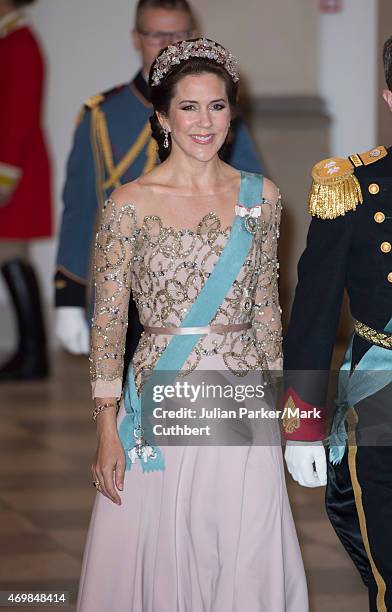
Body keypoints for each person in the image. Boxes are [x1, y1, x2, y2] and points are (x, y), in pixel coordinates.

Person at [76, 38, 308, 611]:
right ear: (162, 116)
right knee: (167, 546)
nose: (205, 122)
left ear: (232, 112)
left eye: (218, 106)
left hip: (242, 396)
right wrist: (107, 427)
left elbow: (265, 310)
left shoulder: (262, 197)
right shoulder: (130, 203)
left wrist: (286, 408)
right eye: (188, 107)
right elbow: (107, 325)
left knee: (244, 545)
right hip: (163, 396)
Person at [54, 0, 263, 375]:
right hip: (130, 289)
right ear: (137, 38)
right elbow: (80, 205)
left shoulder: (217, 116)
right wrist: (68, 293)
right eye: (157, 34)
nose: (168, 43)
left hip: (206, 285)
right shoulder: (103, 114)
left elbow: (249, 196)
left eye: (179, 34)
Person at [283, 35, 392, 612]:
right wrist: (302, 422)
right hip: (381, 397)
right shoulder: (350, 186)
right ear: (389, 96)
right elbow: (315, 311)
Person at [0, 0, 51, 380]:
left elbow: (19, 115)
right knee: (9, 254)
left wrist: (5, 176)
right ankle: (28, 353)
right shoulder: (12, 39)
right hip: (11, 164)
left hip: (12, 166)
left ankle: (33, 355)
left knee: (12, 253)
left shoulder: (20, 42)